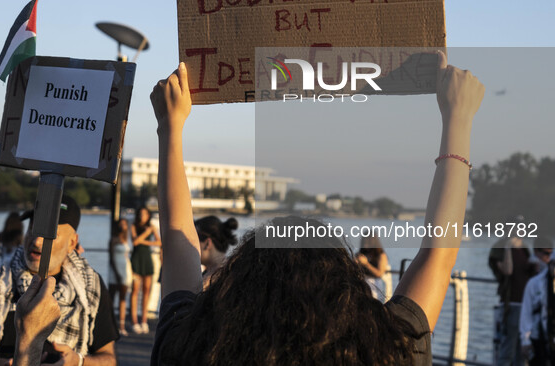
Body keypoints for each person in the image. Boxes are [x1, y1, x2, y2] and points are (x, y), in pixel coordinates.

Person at [149, 56, 484, 365]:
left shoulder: (190, 348)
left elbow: (178, 242)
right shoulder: (387, 352)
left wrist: (169, 127)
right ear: (344, 290)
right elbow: (438, 257)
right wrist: (458, 118)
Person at [0, 195, 118, 365]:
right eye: (33, 229)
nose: (37, 241)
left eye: (50, 234)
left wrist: (79, 361)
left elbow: (109, 359)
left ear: (72, 243)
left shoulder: (91, 289)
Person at [489, 235, 535, 365]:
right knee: (508, 348)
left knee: (522, 350)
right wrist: (508, 248)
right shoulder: (499, 249)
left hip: (526, 305)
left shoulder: (525, 249)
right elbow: (507, 270)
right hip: (511, 304)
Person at [130, 206, 161, 334]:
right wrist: (146, 234)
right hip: (136, 259)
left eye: (145, 214)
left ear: (148, 215)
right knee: (135, 291)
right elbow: (135, 242)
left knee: (147, 290)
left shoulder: (152, 227)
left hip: (147, 259)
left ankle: (144, 320)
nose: (143, 216)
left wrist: (145, 240)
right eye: (141, 213)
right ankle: (134, 321)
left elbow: (159, 243)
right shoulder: (133, 226)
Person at [195, 216, 238, 286]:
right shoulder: (233, 270)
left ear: (207, 244)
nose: (191, 246)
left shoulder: (209, 281)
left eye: (194, 241)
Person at [109, 217, 132, 336]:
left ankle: (121, 326)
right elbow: (112, 258)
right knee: (112, 298)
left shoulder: (127, 239)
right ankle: (110, 325)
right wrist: (117, 273)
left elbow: (127, 256)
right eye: (121, 224)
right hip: (115, 270)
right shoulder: (114, 239)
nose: (123, 226)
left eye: (125, 224)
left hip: (125, 269)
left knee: (123, 299)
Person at [355, 234, 389, 302]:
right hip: (362, 283)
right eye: (364, 242)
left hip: (374, 284)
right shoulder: (361, 254)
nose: (365, 244)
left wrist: (366, 264)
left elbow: (379, 274)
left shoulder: (380, 255)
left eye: (367, 242)